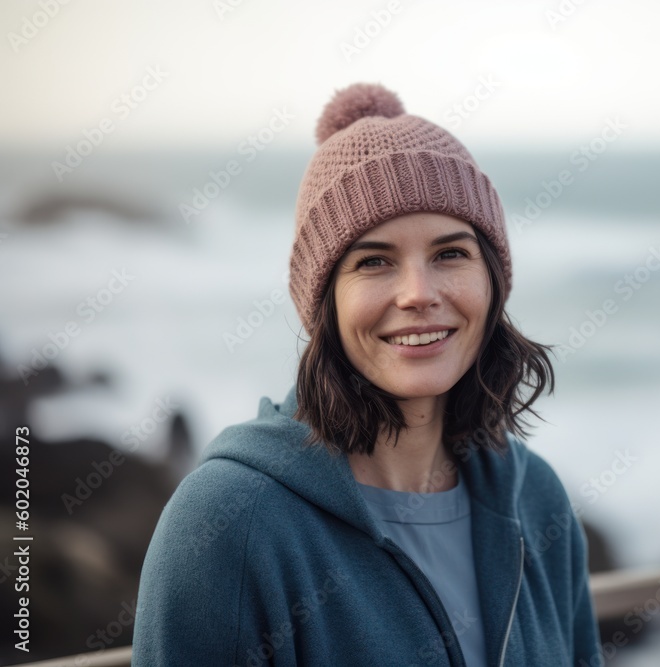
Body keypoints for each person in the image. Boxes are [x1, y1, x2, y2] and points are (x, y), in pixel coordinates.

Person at [132, 82, 604, 666]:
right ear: (325, 301)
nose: (418, 294)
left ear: (493, 280)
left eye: (450, 253)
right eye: (374, 261)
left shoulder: (537, 500)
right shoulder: (229, 525)